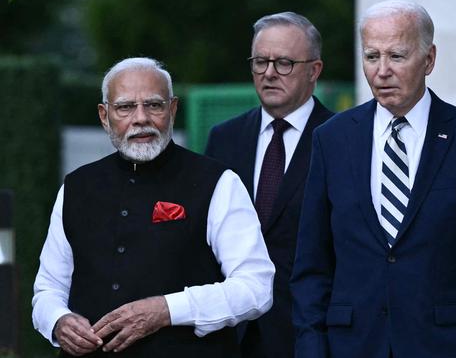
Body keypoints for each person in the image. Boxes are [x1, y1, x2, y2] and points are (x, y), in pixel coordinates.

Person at [290, 0, 456, 358]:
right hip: (352, 346)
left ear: (429, 59)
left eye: (397, 57)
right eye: (372, 57)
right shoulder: (332, 139)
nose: (382, 71)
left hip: (448, 347)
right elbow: (311, 266)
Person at [32, 57, 275, 357]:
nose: (141, 118)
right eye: (125, 107)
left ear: (172, 109)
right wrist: (58, 321)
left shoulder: (219, 183)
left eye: (154, 105)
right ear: (104, 116)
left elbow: (255, 288)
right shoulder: (76, 187)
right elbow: (47, 290)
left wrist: (167, 309)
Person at [204, 12, 333, 358]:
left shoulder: (342, 139)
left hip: (310, 333)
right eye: (260, 61)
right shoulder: (224, 138)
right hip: (232, 335)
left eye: (285, 63)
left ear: (314, 70)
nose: (269, 73)